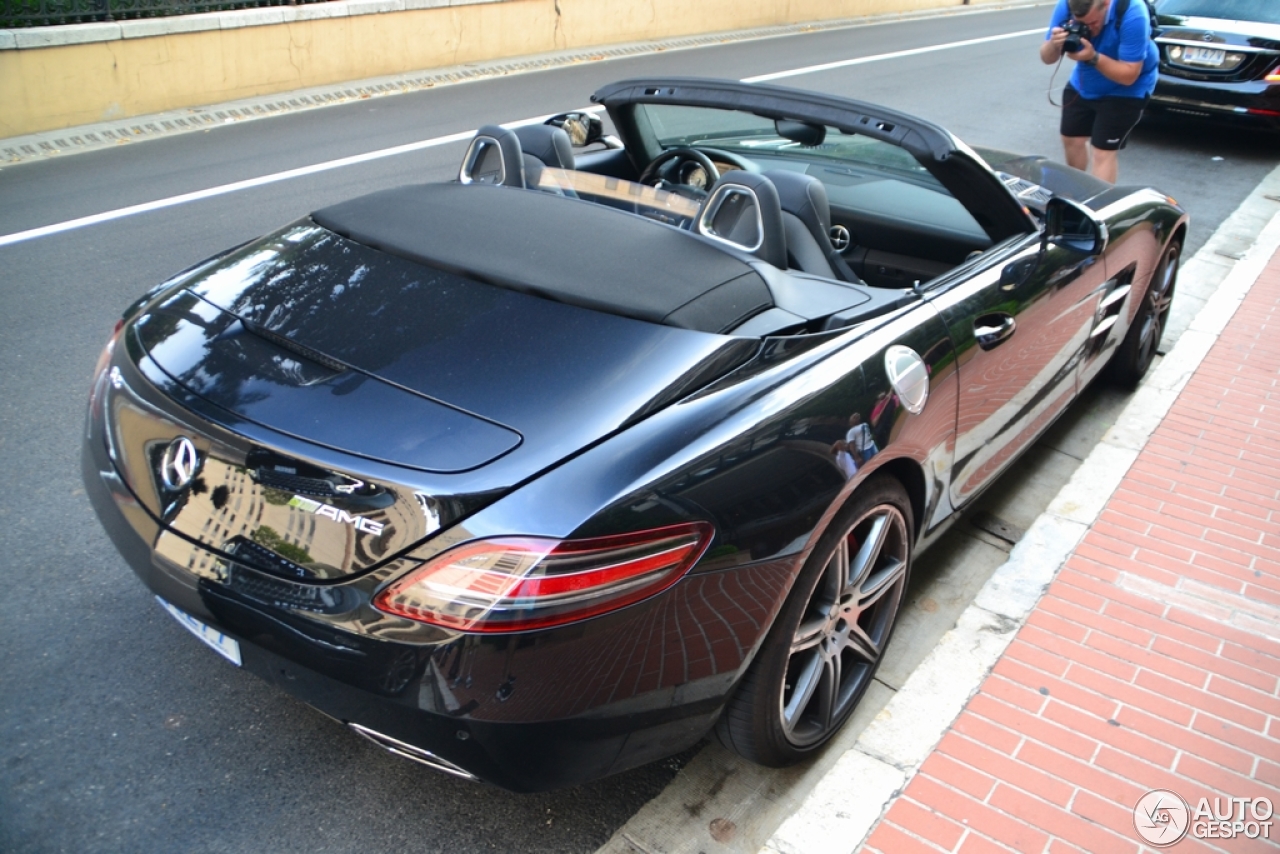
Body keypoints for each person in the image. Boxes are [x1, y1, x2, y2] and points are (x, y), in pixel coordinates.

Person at [1040, 0, 1158, 184]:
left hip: (1126, 89)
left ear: (1106, 4)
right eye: (1081, 25)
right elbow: (1046, 58)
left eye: (1093, 23)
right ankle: (1076, 193)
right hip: (1084, 81)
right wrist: (1054, 45)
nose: (1089, 30)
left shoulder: (1132, 12)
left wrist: (1092, 57)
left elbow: (1129, 75)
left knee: (1102, 152)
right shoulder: (1067, 5)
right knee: (1071, 139)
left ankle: (1098, 208)